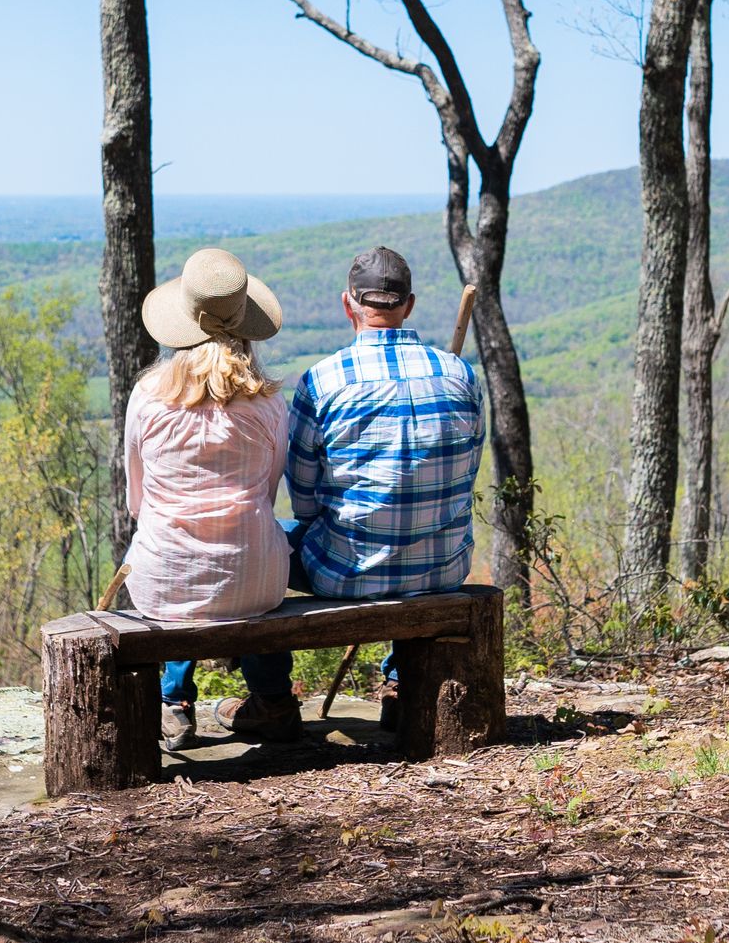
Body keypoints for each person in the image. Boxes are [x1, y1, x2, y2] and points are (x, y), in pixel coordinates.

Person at [216, 245, 484, 734]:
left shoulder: (322, 382)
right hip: (443, 568)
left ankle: (271, 700)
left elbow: (305, 499)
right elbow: (466, 474)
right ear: (409, 305)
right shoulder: (460, 374)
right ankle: (401, 685)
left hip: (345, 573)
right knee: (419, 523)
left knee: (254, 544)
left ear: (348, 304)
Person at [124, 247, 297, 753]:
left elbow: (137, 499)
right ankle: (273, 699)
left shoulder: (148, 397)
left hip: (166, 579)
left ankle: (174, 703)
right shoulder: (269, 402)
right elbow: (268, 492)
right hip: (256, 577)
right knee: (258, 551)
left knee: (172, 563)